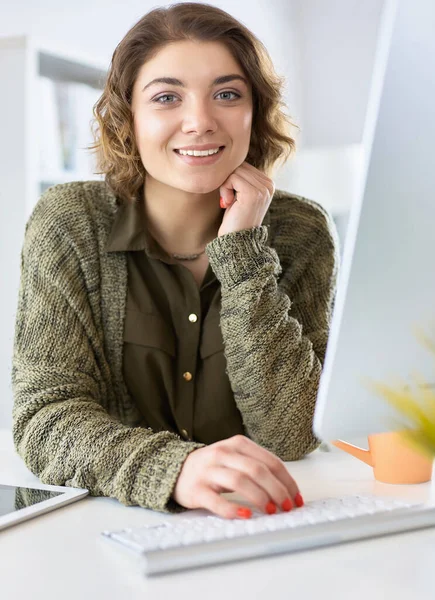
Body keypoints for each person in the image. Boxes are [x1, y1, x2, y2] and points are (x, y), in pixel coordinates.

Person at [11, 2, 340, 520]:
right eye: (167, 97)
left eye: (227, 94)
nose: (200, 122)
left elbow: (293, 431)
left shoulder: (301, 232)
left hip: (261, 523)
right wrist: (177, 469)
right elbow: (44, 419)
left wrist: (243, 252)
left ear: (256, 111)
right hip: (107, 527)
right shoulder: (70, 223)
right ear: (128, 117)